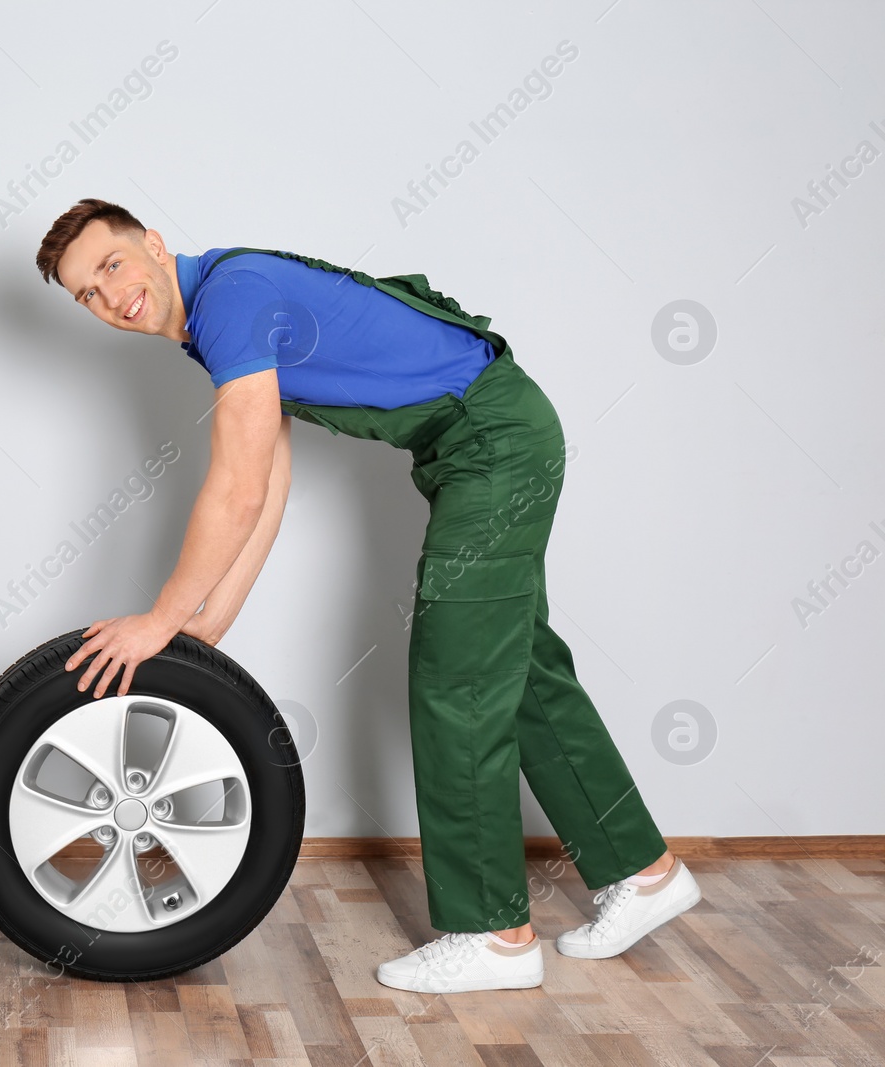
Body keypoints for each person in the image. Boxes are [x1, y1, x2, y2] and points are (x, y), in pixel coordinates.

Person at [39, 198, 702, 993]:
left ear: (151, 243)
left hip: (492, 445)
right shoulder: (215, 312)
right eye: (86, 295)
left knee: (457, 682)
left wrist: (159, 620)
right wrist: (206, 627)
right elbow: (272, 480)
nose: (110, 298)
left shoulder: (231, 298)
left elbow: (238, 487)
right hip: (492, 440)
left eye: (110, 266)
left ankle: (493, 933)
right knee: (518, 671)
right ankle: (644, 871)